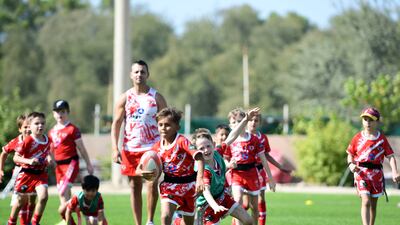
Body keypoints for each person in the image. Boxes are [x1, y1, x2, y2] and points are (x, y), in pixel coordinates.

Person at [111, 60, 167, 225]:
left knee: (151, 184)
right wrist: (115, 148)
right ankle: (138, 223)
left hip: (152, 149)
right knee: (135, 187)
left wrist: (166, 146)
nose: (139, 75)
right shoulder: (125, 98)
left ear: (147, 75)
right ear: (131, 75)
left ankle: (150, 221)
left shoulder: (156, 97)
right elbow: (116, 124)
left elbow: (168, 122)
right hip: (130, 149)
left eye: (142, 72)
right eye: (136, 72)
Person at [347, 107, 400, 225]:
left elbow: (390, 156)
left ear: (377, 121)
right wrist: (351, 165)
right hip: (361, 173)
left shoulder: (381, 139)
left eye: (371, 119)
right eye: (365, 119)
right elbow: (350, 154)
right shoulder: (357, 138)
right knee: (365, 201)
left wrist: (395, 171)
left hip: (376, 175)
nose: (368, 122)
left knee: (373, 206)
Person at [223, 108, 276, 225]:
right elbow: (225, 158)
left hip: (252, 174)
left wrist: (271, 178)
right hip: (237, 174)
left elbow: (263, 159)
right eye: (234, 122)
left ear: (244, 122)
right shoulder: (229, 141)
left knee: (254, 207)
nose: (237, 125)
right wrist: (229, 164)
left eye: (239, 121)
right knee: (237, 202)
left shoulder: (254, 140)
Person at [151, 107, 203, 225]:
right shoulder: (156, 147)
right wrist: (145, 172)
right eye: (160, 125)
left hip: (189, 187)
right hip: (169, 186)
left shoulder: (182, 141)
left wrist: (200, 178)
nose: (163, 128)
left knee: (188, 222)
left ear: (177, 127)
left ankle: (178, 222)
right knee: (165, 216)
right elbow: (143, 167)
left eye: (168, 125)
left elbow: (199, 157)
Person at [49, 99, 94, 222]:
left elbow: (82, 148)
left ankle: (80, 205)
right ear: (53, 114)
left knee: (63, 191)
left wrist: (89, 164)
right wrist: (50, 159)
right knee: (63, 200)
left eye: (63, 111)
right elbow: (50, 149)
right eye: (57, 112)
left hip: (71, 164)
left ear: (67, 112)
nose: (60, 114)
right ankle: (72, 217)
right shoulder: (52, 132)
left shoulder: (72, 129)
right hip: (59, 167)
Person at [244, 112, 292, 225]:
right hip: (245, 172)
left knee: (261, 199)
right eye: (251, 120)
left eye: (256, 120)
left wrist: (280, 167)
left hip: (259, 172)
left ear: (259, 122)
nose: (253, 123)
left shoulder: (263, 138)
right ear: (246, 122)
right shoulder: (242, 137)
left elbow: (267, 155)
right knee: (245, 204)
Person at [9, 112, 51, 225]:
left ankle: (34, 222)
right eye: (37, 123)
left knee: (43, 197)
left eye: (42, 123)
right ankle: (11, 222)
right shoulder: (27, 141)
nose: (40, 126)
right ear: (30, 125)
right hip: (26, 174)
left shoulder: (47, 139)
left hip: (40, 174)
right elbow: (16, 158)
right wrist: (29, 161)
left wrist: (50, 158)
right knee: (19, 203)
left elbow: (47, 152)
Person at [1, 114, 37, 225]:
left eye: (29, 126)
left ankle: (27, 222)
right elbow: (4, 153)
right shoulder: (16, 141)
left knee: (31, 199)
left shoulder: (37, 140)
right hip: (20, 173)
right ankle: (11, 222)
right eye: (25, 127)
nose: (28, 129)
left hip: (34, 174)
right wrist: (0, 169)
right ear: (20, 129)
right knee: (19, 200)